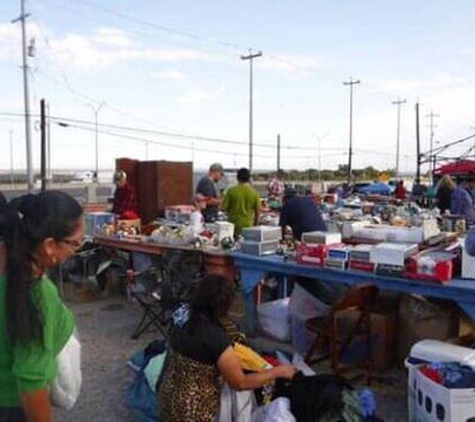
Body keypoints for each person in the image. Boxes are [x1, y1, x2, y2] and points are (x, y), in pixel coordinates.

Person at [159, 274, 296, 422]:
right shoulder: (216, 339)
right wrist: (277, 372)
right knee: (239, 391)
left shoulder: (182, 318)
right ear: (225, 304)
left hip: (167, 399)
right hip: (193, 412)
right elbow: (240, 383)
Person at [0, 191, 84, 421]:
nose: (75, 251)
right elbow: (31, 380)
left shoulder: (8, 261)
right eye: (74, 244)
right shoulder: (36, 294)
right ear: (48, 245)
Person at [222, 168, 261, 236]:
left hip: (233, 225)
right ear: (249, 179)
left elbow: (223, 208)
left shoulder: (231, 191)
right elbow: (258, 211)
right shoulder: (254, 193)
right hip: (248, 225)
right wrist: (255, 224)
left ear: (237, 178)